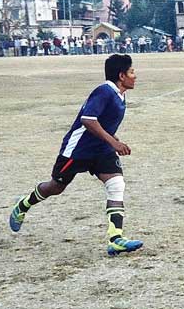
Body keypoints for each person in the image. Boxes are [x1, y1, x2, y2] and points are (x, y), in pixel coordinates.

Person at [8, 54, 143, 256]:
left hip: (101, 150)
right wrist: (114, 142)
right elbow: (88, 120)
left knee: (116, 185)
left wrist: (114, 141)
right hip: (78, 150)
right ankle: (23, 204)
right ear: (121, 75)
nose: (136, 76)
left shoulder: (119, 94)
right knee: (56, 187)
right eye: (132, 72)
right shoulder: (104, 91)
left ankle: (116, 239)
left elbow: (103, 123)